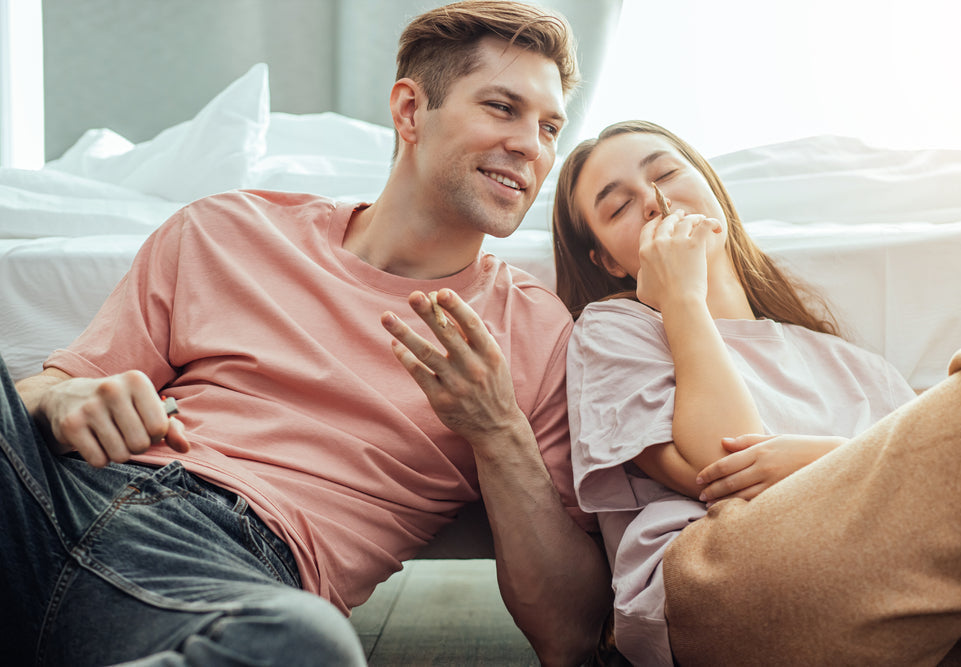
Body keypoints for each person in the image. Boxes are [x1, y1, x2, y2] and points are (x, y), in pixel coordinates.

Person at [1, 2, 613, 665]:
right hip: (54, 501)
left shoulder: (534, 330)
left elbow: (570, 634)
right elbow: (40, 393)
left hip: (230, 573)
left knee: (308, 645)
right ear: (410, 111)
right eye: (502, 107)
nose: (532, 146)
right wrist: (63, 398)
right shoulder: (224, 230)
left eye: (549, 126)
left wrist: (497, 429)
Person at [551, 120, 961, 665]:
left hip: (893, 596)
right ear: (607, 261)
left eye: (665, 173)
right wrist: (682, 299)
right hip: (724, 579)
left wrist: (821, 455)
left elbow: (927, 494)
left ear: (711, 186)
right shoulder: (614, 329)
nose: (653, 201)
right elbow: (722, 464)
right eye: (619, 207)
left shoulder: (854, 364)